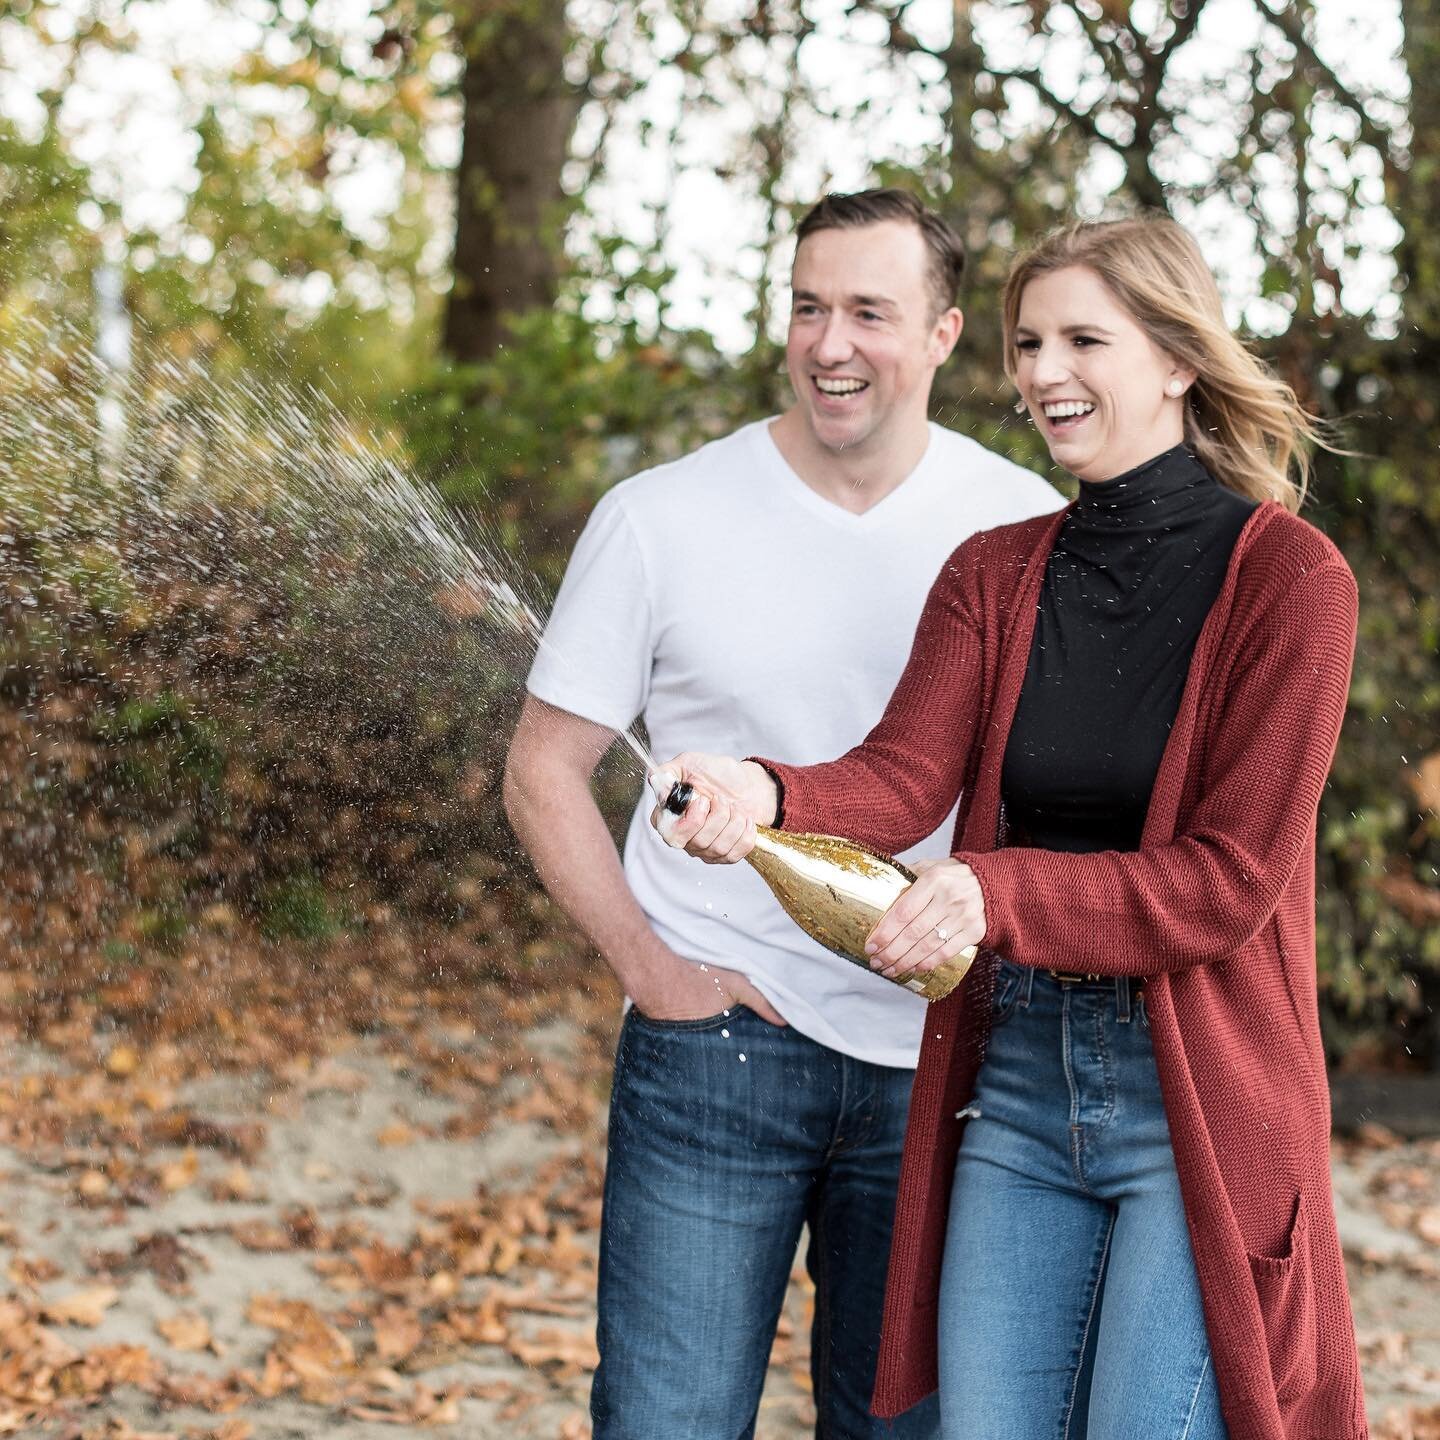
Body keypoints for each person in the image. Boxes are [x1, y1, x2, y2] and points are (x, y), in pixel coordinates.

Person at [654, 215, 1367, 1440]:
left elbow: (1226, 884)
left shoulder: (1293, 584)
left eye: (1084, 339)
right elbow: (897, 775)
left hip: (1195, 1095)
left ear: (1178, 360)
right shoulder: (994, 570)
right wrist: (765, 795)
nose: (1043, 373)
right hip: (1021, 1085)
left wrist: (995, 893)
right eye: (1029, 342)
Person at [503, 188, 1063, 1439]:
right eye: (809, 307)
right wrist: (656, 971)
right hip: (717, 1052)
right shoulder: (659, 518)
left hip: (940, 1068)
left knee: (901, 1428)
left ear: (944, 333)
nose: (830, 343)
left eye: (870, 310)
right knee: (668, 1421)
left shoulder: (1023, 527)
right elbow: (543, 769)